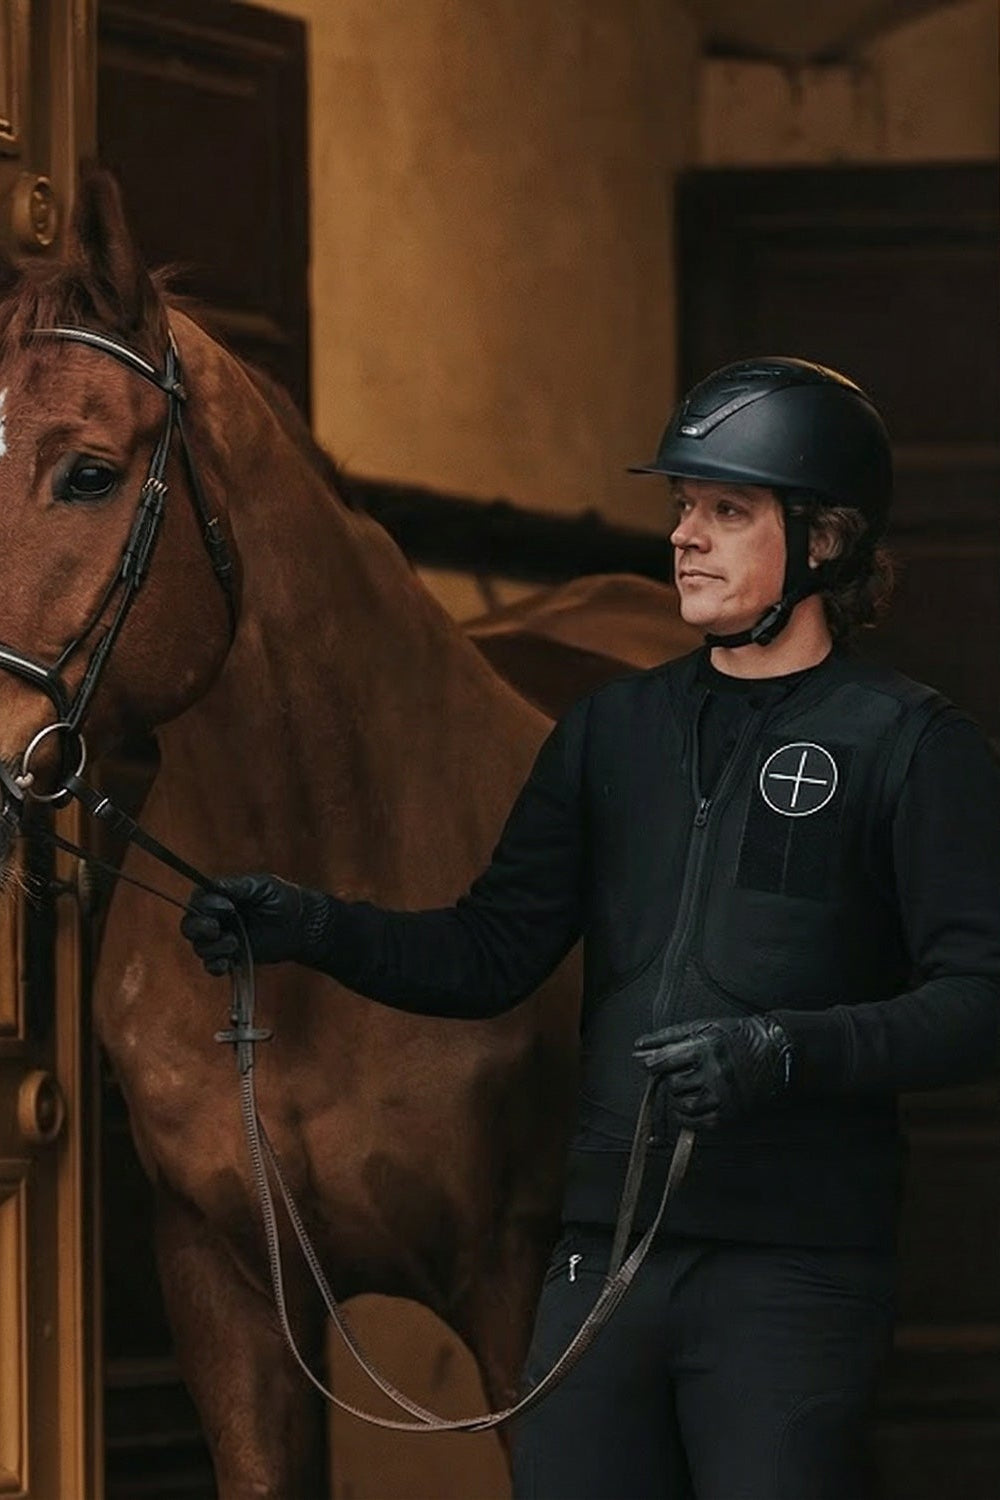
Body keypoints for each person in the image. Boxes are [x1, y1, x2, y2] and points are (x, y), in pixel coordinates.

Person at [181, 358, 1000, 1500]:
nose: (685, 538)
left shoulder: (913, 745)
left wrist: (783, 1053)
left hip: (794, 1270)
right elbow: (487, 955)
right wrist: (306, 924)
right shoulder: (610, 734)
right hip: (597, 1264)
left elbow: (975, 1003)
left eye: (726, 510)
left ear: (824, 539)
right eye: (680, 510)